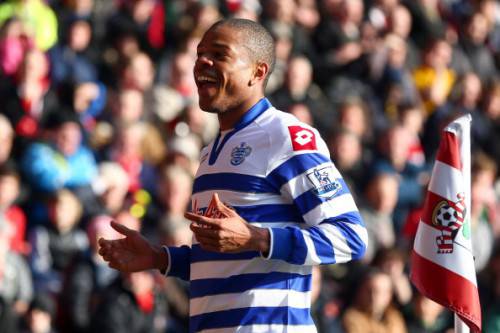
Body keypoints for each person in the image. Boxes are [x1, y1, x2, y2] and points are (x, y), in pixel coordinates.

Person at [99, 18, 367, 333]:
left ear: (258, 72)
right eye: (199, 54)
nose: (202, 62)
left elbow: (351, 238)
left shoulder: (285, 137)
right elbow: (225, 259)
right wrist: (160, 258)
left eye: (219, 54)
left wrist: (257, 238)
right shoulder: (210, 151)